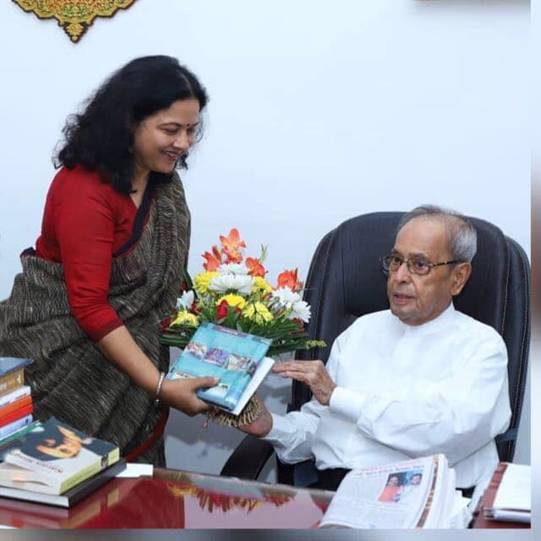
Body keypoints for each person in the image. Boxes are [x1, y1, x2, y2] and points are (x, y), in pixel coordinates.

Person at [0, 56, 218, 465]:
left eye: (191, 130)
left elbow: (163, 280)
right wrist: (159, 386)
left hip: (134, 375)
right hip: (59, 368)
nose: (184, 143)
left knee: (134, 496)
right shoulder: (84, 187)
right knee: (65, 489)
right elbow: (90, 306)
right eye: (171, 130)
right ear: (128, 123)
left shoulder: (164, 183)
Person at [238, 206, 511, 490]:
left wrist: (338, 397)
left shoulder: (482, 347)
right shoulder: (360, 331)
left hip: (421, 496)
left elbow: (442, 434)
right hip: (332, 490)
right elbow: (321, 429)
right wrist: (270, 426)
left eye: (419, 265)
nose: (400, 276)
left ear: (458, 277)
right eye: (396, 260)